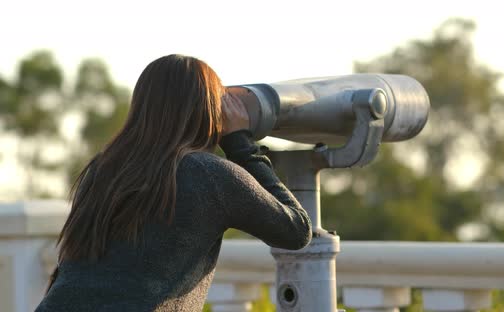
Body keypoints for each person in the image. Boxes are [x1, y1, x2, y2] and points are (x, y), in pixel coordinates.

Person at [35, 54, 312, 311]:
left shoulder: (102, 168)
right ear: (210, 110)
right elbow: (296, 230)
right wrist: (240, 142)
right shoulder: (211, 175)